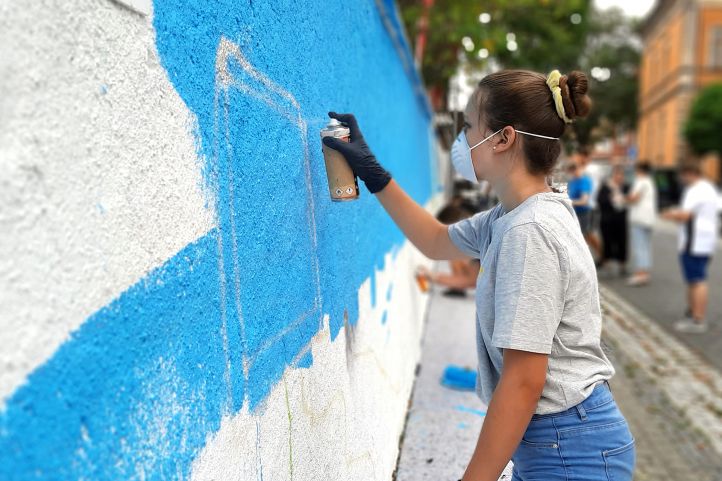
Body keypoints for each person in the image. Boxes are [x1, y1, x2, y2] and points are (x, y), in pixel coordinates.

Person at [324, 68, 634, 481]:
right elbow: (435, 240)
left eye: (470, 126)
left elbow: (524, 379)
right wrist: (374, 174)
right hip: (557, 440)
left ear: (504, 138)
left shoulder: (530, 231)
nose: (463, 139)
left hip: (569, 448)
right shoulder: (510, 216)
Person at [661, 162, 719, 333]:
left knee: (696, 280)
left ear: (689, 173)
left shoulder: (696, 190)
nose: (680, 179)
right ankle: (693, 312)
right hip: (704, 241)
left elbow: (686, 215)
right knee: (694, 279)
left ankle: (698, 319)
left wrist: (669, 214)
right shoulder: (709, 188)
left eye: (682, 175)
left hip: (694, 242)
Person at [417, 203, 480, 297]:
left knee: (455, 251)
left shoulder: (478, 241)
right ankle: (457, 287)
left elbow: (471, 281)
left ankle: (457, 287)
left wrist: (433, 277)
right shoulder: (472, 233)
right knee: (455, 252)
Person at [625, 161, 657, 286]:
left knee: (639, 246)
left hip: (639, 218)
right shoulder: (650, 181)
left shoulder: (641, 181)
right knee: (646, 246)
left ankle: (640, 274)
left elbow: (634, 198)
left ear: (640, 170)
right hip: (648, 219)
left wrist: (621, 198)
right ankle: (645, 272)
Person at [597, 165, 629, 276]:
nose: (619, 177)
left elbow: (629, 200)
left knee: (622, 241)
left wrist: (620, 197)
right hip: (607, 219)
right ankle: (607, 264)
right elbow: (600, 200)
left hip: (621, 218)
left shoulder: (625, 187)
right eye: (617, 175)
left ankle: (622, 265)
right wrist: (610, 198)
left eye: (621, 175)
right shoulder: (605, 187)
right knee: (607, 242)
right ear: (613, 175)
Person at [566, 161, 598, 259]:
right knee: (582, 236)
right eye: (571, 171)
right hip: (575, 211)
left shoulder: (585, 181)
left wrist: (569, 202)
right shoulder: (573, 181)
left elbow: (584, 201)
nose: (574, 173)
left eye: (575, 170)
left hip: (585, 211)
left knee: (586, 235)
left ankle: (598, 255)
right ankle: (585, 257)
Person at [578, 147, 604, 259]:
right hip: (585, 205)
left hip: (590, 205)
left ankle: (602, 255)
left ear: (585, 157)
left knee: (589, 233)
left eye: (580, 157)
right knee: (586, 233)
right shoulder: (587, 169)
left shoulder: (590, 169)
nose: (579, 159)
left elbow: (593, 186)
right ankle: (597, 256)